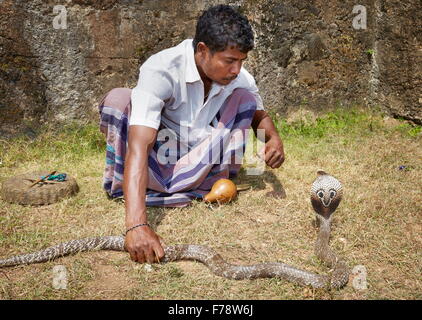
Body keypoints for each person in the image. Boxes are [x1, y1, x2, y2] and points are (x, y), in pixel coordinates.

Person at [98, 5, 285, 264]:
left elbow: (259, 115)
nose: (236, 69)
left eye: (241, 61)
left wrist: (272, 138)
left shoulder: (238, 78)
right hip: (159, 157)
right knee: (119, 100)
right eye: (230, 61)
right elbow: (139, 147)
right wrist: (136, 225)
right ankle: (150, 190)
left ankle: (203, 184)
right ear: (202, 51)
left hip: (203, 160)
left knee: (244, 99)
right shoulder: (161, 69)